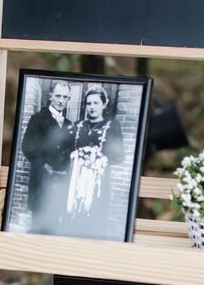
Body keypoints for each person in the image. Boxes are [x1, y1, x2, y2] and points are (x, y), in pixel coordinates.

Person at [66, 84, 125, 238]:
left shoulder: (112, 126)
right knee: (74, 215)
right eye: (89, 103)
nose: (92, 107)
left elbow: (119, 156)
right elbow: (66, 151)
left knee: (94, 217)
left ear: (104, 104)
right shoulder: (79, 125)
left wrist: (99, 158)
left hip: (99, 182)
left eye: (96, 103)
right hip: (75, 180)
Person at [20, 79, 74, 233]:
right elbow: (27, 147)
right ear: (51, 96)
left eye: (65, 97)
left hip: (60, 183)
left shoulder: (69, 124)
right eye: (58, 96)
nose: (61, 100)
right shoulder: (37, 119)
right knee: (38, 224)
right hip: (41, 179)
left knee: (55, 223)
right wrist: (44, 166)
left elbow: (70, 152)